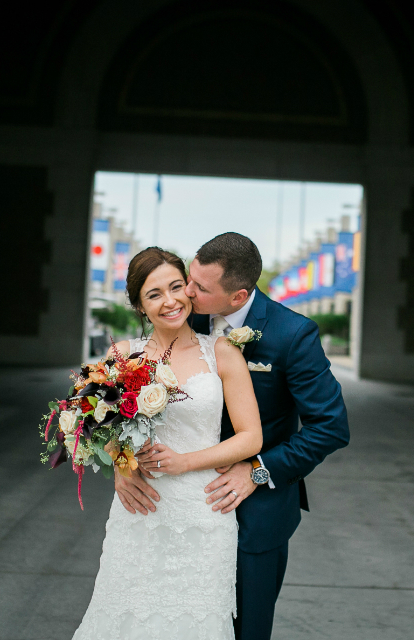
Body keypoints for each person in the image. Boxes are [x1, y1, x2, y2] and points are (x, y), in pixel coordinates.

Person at [115, 232, 351, 640]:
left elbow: (330, 427)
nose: (184, 293)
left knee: (244, 632)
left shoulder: (292, 335)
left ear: (238, 297)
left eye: (198, 288)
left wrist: (257, 471)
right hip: (173, 504)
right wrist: (122, 463)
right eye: (187, 279)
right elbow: (118, 413)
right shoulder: (180, 316)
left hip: (255, 510)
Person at [72, 247, 263, 640]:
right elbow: (92, 427)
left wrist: (185, 462)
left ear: (190, 290)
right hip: (140, 510)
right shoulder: (123, 356)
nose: (170, 301)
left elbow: (250, 437)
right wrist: (120, 468)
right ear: (140, 305)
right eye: (154, 294)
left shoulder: (223, 353)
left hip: (204, 510)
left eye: (177, 287)